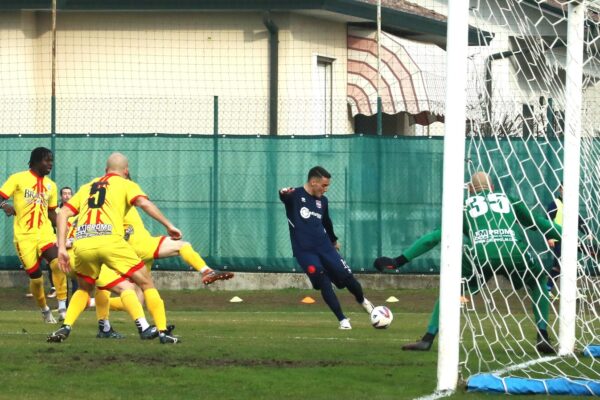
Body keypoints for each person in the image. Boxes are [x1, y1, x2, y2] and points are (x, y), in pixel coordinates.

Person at [373, 172, 561, 354]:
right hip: (514, 252)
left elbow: (433, 238)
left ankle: (427, 339)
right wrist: (576, 239)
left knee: (451, 290)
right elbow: (541, 224)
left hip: (479, 255)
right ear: (493, 188)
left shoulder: (464, 206)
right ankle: (542, 335)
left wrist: (397, 261)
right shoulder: (509, 199)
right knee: (538, 281)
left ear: (470, 189)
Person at [47, 152, 179, 344]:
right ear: (126, 171)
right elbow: (143, 203)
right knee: (145, 282)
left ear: (105, 171)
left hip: (83, 244)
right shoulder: (126, 184)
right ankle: (161, 331)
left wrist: (60, 247)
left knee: (84, 288)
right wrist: (168, 225)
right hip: (110, 241)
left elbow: (63, 213)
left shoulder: (87, 187)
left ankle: (66, 326)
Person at [279, 166, 374, 330]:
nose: (326, 189)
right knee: (323, 280)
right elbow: (283, 196)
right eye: (324, 185)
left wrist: (333, 240)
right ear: (313, 182)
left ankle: (362, 301)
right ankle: (343, 320)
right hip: (305, 251)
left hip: (325, 248)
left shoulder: (323, 201)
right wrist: (282, 192)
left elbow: (326, 222)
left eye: (327, 186)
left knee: (348, 279)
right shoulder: (295, 196)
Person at [0, 147, 68, 323]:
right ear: (36, 161)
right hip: (24, 237)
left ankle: (62, 308)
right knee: (37, 279)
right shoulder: (18, 178)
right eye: (47, 160)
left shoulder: (51, 186)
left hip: (45, 233)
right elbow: (1, 197)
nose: (50, 164)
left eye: (51, 161)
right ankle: (45, 310)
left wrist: (63, 226)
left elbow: (52, 213)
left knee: (58, 264)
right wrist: (4, 205)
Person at [545, 183, 591, 295]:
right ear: (560, 189)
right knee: (563, 264)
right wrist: (549, 237)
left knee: (559, 265)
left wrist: (587, 232)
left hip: (570, 238)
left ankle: (547, 288)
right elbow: (547, 221)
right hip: (558, 239)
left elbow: (578, 221)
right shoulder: (555, 204)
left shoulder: (572, 204)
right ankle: (556, 290)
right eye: (563, 188)